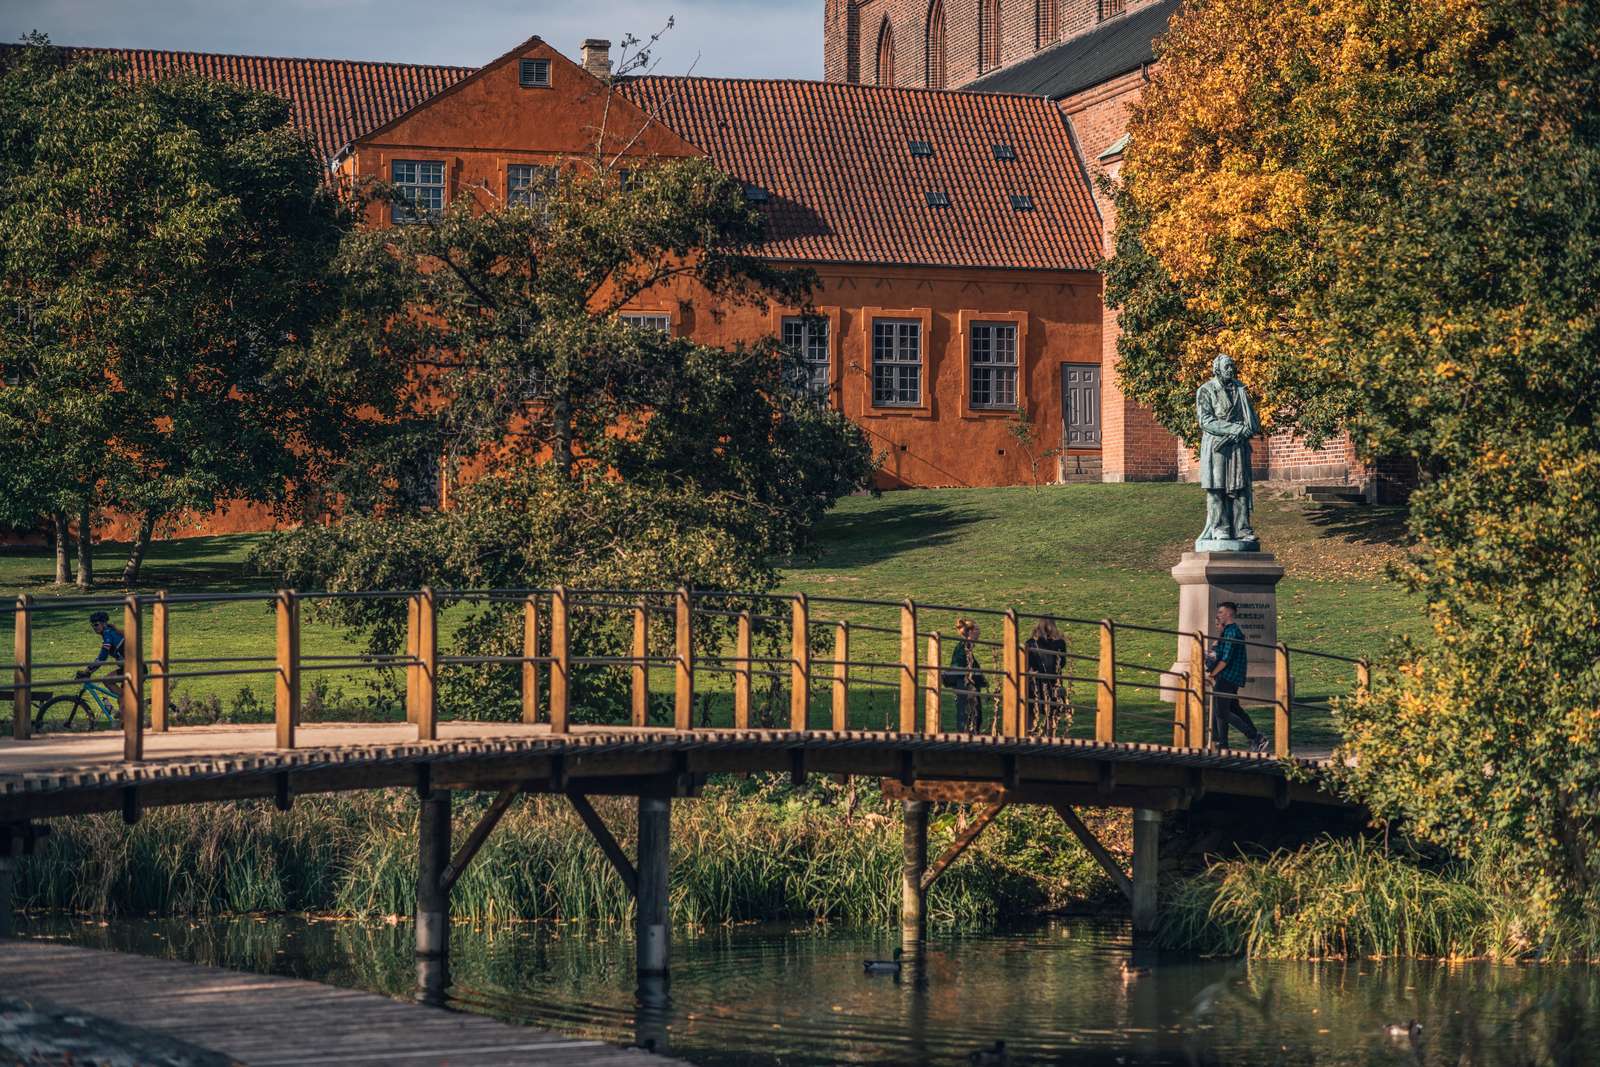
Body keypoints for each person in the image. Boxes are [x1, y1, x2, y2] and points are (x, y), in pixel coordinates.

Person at [1196, 354, 1262, 546]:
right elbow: (1205, 421)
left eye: (1233, 366)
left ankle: (1242, 529)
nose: (1231, 370)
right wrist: (1233, 429)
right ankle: (1220, 528)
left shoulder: (1241, 389)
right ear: (1217, 369)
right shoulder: (1206, 390)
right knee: (1217, 489)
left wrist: (1242, 430)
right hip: (1216, 448)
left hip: (1237, 446)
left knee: (1240, 488)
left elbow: (1252, 421)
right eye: (1227, 366)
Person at [1206, 602, 1267, 752]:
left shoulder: (1232, 632)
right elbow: (1217, 653)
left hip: (1228, 676)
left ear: (1228, 613)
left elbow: (1225, 659)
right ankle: (1223, 744)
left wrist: (1212, 674)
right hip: (1227, 676)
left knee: (1221, 711)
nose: (1218, 615)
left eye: (1220, 612)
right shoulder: (1227, 631)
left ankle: (1255, 737)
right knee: (1232, 709)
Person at [1024, 618, 1071, 736]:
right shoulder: (1060, 643)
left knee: (1031, 709)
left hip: (1035, 680)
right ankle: (1049, 735)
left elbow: (1028, 663)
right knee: (1052, 711)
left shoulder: (1030, 643)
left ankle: (1029, 733)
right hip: (1053, 680)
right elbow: (1062, 663)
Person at [945, 618, 988, 734]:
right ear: (970, 632)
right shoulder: (964, 647)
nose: (979, 632)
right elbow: (960, 666)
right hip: (964, 685)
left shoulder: (965, 647)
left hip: (964, 684)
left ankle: (969, 734)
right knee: (968, 715)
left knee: (971, 715)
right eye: (977, 629)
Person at [76, 611, 125, 680]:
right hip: (132, 667)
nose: (94, 628)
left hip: (133, 669)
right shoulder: (111, 631)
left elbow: (102, 656)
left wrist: (87, 670)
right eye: (92, 625)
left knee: (107, 681)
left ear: (104, 624)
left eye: (96, 625)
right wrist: (90, 671)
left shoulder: (108, 635)